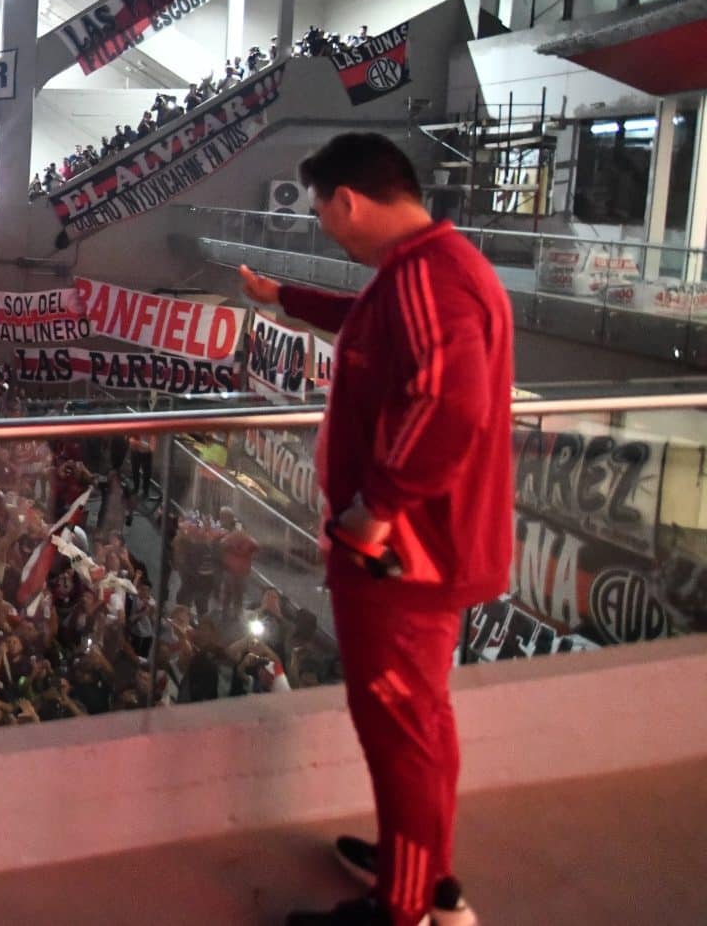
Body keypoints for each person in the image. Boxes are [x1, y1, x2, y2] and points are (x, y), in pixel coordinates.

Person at [243, 133, 510, 926]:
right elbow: (373, 321)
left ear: (347, 200)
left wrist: (375, 510)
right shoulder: (425, 274)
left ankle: (404, 907)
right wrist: (284, 298)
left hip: (405, 557)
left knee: (400, 729)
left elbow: (446, 404)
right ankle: (424, 872)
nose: (328, 227)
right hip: (419, 551)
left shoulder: (433, 278)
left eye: (323, 212)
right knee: (420, 721)